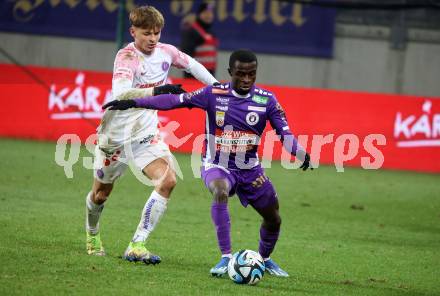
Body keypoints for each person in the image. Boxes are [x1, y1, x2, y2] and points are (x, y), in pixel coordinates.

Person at [103, 49, 312, 276]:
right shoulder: (214, 94)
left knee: (273, 219)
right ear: (230, 72)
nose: (246, 79)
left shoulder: (266, 100)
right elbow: (174, 101)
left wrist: (299, 153)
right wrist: (135, 102)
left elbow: (285, 132)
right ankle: (226, 258)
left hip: (250, 169)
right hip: (216, 165)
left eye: (251, 74)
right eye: (241, 74)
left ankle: (264, 259)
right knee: (220, 191)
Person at [85, 5, 218, 264]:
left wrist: (218, 88)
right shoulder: (126, 57)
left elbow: (192, 64)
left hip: (146, 135)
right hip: (115, 138)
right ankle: (92, 234)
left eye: (157, 33)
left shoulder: (166, 52)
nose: (153, 38)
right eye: (147, 33)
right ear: (133, 31)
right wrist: (159, 91)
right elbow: (122, 92)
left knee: (168, 181)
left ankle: (137, 244)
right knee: (100, 195)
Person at [180, 2, 218, 78]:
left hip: (208, 76)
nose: (209, 15)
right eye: (205, 13)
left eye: (211, 13)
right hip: (195, 77)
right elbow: (185, 56)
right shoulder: (192, 31)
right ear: (199, 14)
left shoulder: (210, 31)